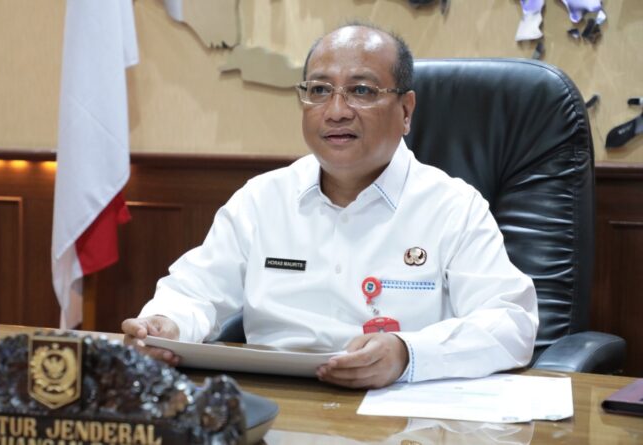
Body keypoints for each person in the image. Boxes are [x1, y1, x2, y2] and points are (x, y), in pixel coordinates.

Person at [122, 23, 538, 389]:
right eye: (319, 90)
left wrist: (407, 353)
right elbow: (195, 293)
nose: (336, 112)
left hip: (401, 417)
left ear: (406, 110)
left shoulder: (453, 207)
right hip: (280, 406)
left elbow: (511, 324)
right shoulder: (262, 200)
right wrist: (166, 323)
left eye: (361, 91)